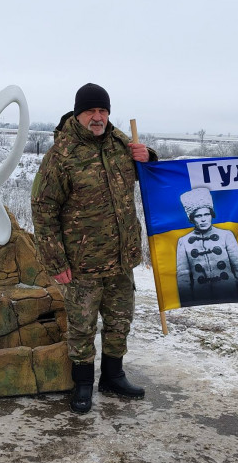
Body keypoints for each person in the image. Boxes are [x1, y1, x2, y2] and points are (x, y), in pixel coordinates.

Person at [31, 83, 156, 414]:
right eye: (91, 111)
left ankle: (113, 376)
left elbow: (151, 175)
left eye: (103, 111)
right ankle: (83, 383)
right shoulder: (62, 155)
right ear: (78, 113)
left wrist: (149, 158)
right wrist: (55, 260)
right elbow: (43, 211)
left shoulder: (119, 144)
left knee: (119, 320)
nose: (98, 117)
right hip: (81, 263)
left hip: (121, 258)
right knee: (82, 326)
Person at [176, 187, 238, 306]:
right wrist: (187, 304)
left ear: (211, 215)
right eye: (198, 216)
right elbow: (183, 277)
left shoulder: (226, 235)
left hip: (230, 296)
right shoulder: (183, 242)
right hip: (200, 298)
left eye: (206, 214)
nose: (203, 219)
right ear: (192, 219)